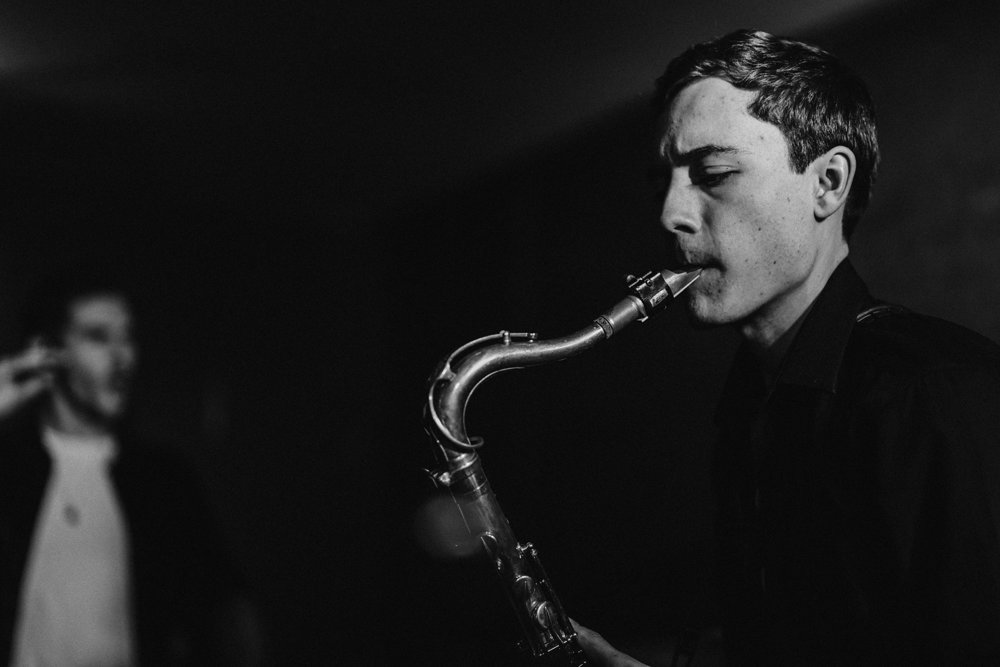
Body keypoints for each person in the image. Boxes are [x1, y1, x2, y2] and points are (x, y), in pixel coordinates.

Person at [574, 29, 1000, 665]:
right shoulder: (748, 410)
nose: (670, 214)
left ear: (827, 183)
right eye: (664, 180)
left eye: (713, 172)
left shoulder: (936, 394)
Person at [0, 271, 261, 666]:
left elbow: (223, 605)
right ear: (46, 353)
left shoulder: (161, 480)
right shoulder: (9, 469)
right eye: (99, 337)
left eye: (129, 337)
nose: (124, 358)